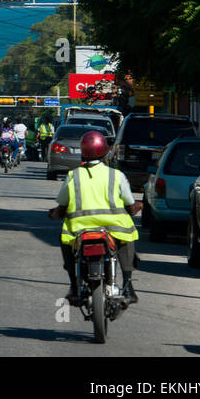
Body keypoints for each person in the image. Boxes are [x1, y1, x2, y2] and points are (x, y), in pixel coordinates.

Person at [47, 130, 141, 304]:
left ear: (83, 152)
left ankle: (74, 286)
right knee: (127, 240)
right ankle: (127, 286)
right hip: (114, 229)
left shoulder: (73, 176)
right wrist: (139, 205)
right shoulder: (116, 175)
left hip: (79, 230)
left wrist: (53, 214)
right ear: (106, 151)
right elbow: (130, 206)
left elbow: (62, 206)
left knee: (66, 242)